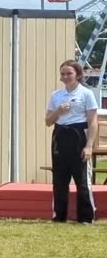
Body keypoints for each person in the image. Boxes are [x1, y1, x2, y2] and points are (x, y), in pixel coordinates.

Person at [45, 59, 100, 223]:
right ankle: (59, 216)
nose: (66, 76)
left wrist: (89, 146)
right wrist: (58, 111)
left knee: (82, 179)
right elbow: (48, 121)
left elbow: (92, 121)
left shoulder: (86, 94)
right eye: (63, 74)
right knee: (60, 179)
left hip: (78, 135)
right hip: (61, 135)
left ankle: (85, 217)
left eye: (69, 73)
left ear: (78, 75)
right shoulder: (56, 95)